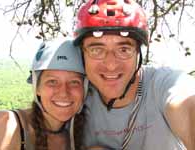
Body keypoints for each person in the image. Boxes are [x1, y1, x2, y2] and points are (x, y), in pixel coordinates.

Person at [73, 0, 195, 149]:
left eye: (124, 49)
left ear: (138, 52)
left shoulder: (163, 84)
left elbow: (187, 104)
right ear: (82, 54)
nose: (111, 65)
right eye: (97, 50)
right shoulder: (75, 97)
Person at [0, 38, 86, 150]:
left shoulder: (77, 136)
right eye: (52, 81)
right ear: (37, 87)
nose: (63, 93)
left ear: (84, 89)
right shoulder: (6, 125)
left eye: (74, 82)